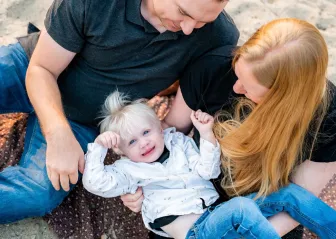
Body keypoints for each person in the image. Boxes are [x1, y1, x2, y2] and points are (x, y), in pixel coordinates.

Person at [0, 0, 239, 223]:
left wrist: (148, 180)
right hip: (32, 68)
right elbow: (42, 69)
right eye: (183, 13)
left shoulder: (219, 36)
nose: (189, 30)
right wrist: (58, 135)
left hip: (87, 122)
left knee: (36, 194)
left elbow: (174, 123)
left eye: (201, 23)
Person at [121, 18, 336, 238]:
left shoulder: (334, 118)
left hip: (266, 210)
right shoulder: (212, 67)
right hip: (197, 199)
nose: (237, 88)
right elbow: (171, 128)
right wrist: (138, 184)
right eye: (238, 73)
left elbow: (302, 195)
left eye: (249, 88)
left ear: (283, 97)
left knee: (292, 199)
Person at [84, 90, 336, 239]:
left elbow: (208, 171)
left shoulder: (179, 144)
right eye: (131, 143)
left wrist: (207, 135)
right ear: (120, 150)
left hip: (218, 217)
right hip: (196, 232)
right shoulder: (127, 170)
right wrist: (99, 148)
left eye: (146, 133)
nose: (142, 143)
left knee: (288, 194)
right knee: (242, 208)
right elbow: (95, 183)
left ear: (159, 126)